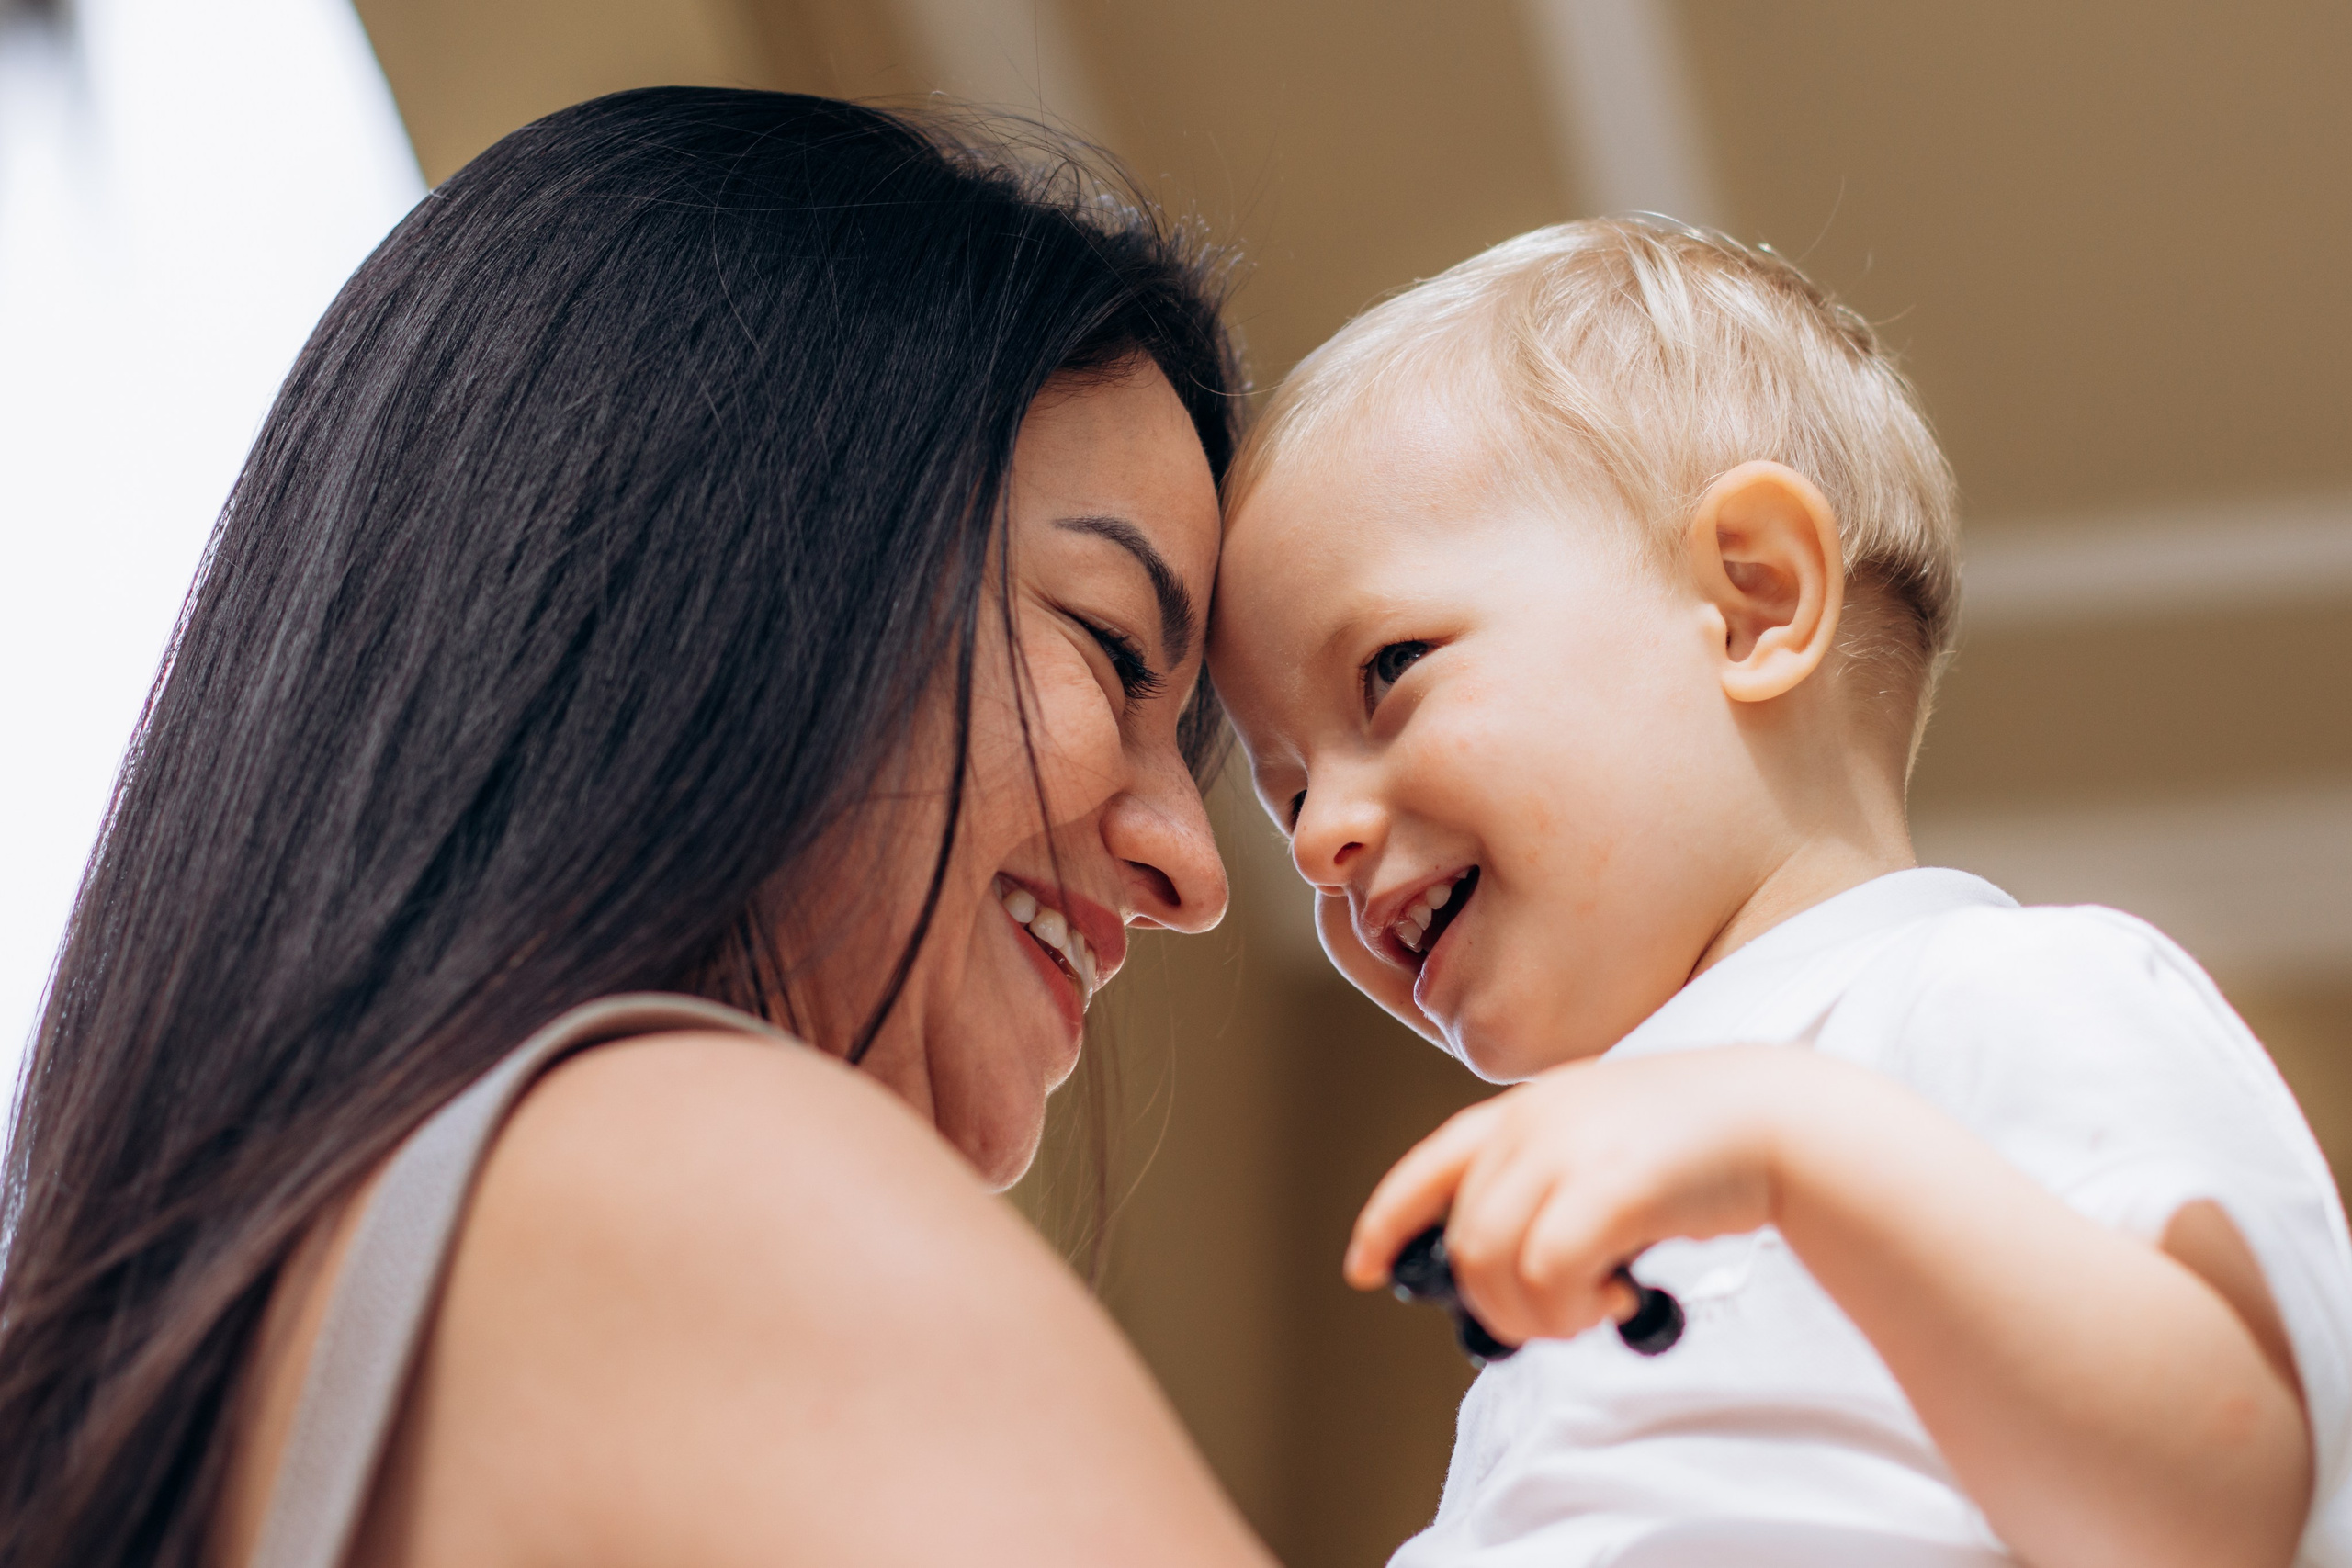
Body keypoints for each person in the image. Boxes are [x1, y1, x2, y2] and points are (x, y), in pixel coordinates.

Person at [0, 89, 1280, 1568]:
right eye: (1114, 651)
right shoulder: (677, 1170)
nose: (1194, 866)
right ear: (737, 566)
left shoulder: (229, 1358)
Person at [1210, 216, 2352, 1567]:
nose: (1317, 839)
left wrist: (1800, 1148)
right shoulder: (1603, 1207)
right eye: (1284, 792)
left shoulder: (2008, 992)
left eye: (1388, 671)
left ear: (1752, 602)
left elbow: (2228, 1502)